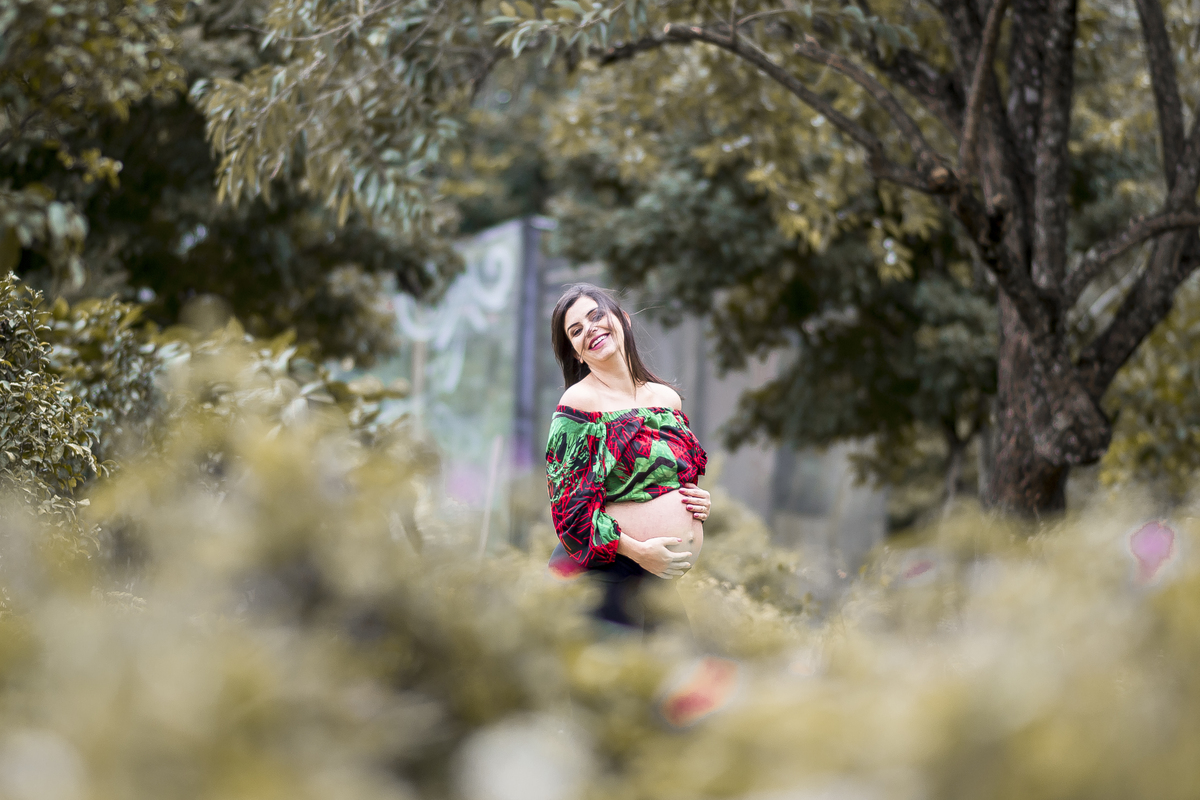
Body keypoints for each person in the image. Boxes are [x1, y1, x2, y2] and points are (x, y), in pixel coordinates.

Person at [545, 283, 712, 630]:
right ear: (576, 353)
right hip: (601, 576)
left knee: (680, 662)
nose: (590, 329)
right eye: (576, 330)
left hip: (657, 582)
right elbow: (569, 510)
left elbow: (669, 484)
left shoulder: (667, 400)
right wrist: (639, 551)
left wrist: (698, 503)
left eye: (596, 316)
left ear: (623, 319)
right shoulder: (578, 405)